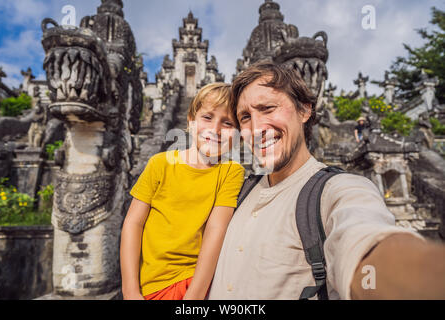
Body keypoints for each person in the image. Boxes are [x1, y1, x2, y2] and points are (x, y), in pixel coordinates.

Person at [208, 62, 445, 300]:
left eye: (268, 108)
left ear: (304, 110)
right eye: (245, 117)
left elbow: (366, 243)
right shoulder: (237, 190)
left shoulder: (338, 190)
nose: (257, 128)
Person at [120, 83, 245, 300]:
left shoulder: (231, 171)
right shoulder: (159, 163)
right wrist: (129, 290)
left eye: (227, 123)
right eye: (207, 117)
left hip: (196, 282)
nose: (215, 130)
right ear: (191, 121)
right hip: (150, 284)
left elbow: (216, 230)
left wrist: (194, 296)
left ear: (239, 135)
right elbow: (133, 223)